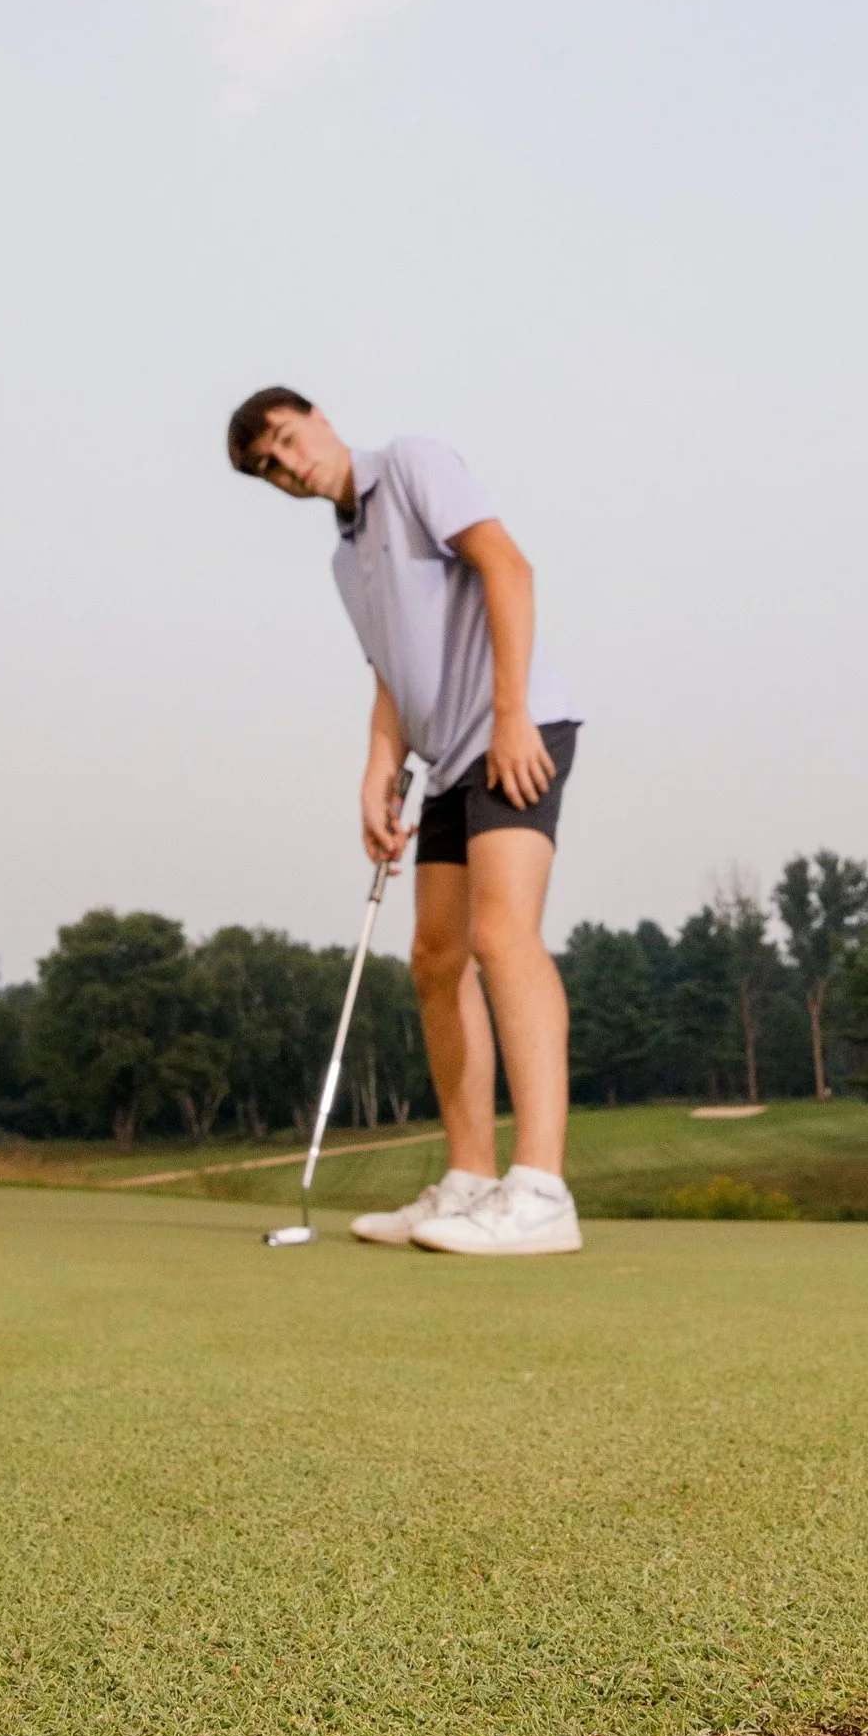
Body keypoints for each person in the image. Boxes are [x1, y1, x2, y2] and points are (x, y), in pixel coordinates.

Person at [227, 387, 582, 1255]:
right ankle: (469, 1183)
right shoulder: (345, 563)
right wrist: (379, 770)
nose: (288, 465)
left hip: (516, 730)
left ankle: (541, 1192)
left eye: (285, 438)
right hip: (448, 759)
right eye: (268, 466)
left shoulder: (415, 463)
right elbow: (391, 676)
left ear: (317, 415)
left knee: (503, 939)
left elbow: (508, 566)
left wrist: (509, 715)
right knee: (435, 959)